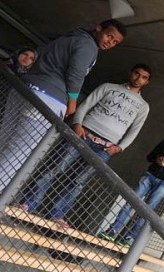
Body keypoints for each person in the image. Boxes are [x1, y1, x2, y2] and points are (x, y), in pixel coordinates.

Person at [17, 64, 151, 227]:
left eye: (143, 77)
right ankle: (28, 204)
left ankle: (57, 214)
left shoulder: (143, 106)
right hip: (84, 134)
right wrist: (78, 123)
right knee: (57, 167)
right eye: (137, 74)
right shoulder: (108, 87)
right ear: (131, 72)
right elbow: (86, 104)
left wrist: (120, 147)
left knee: (79, 181)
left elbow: (135, 129)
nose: (138, 78)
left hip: (105, 147)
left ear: (146, 82)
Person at [0, 20, 126, 192]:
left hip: (24, 90)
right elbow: (76, 73)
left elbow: (38, 56)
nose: (109, 42)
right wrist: (72, 103)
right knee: (20, 152)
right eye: (109, 36)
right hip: (47, 99)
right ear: (98, 28)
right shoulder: (88, 45)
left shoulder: (67, 37)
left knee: (5, 142)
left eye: (114, 42)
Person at [99, 122, 164, 247]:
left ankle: (129, 238)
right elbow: (149, 156)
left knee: (148, 211)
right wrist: (157, 159)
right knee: (131, 202)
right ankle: (112, 231)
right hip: (149, 176)